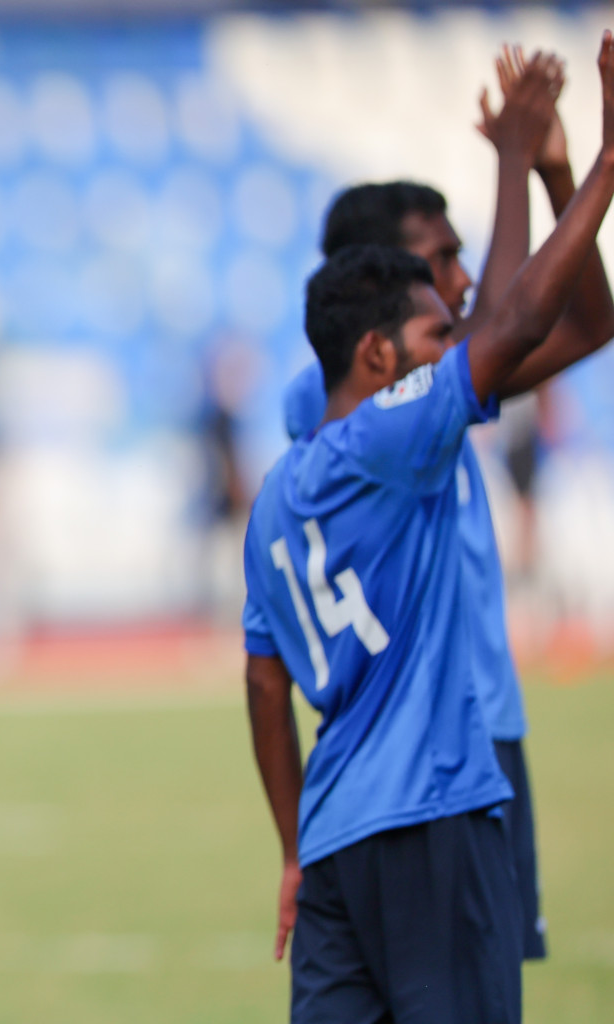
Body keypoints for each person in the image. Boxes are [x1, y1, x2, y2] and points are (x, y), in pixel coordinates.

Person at [242, 35, 614, 1023]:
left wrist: (553, 171)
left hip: (422, 760)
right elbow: (512, 323)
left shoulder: (293, 472)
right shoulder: (375, 422)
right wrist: (540, 165)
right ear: (374, 325)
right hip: (438, 766)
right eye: (439, 263)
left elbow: (581, 323)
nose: (458, 286)